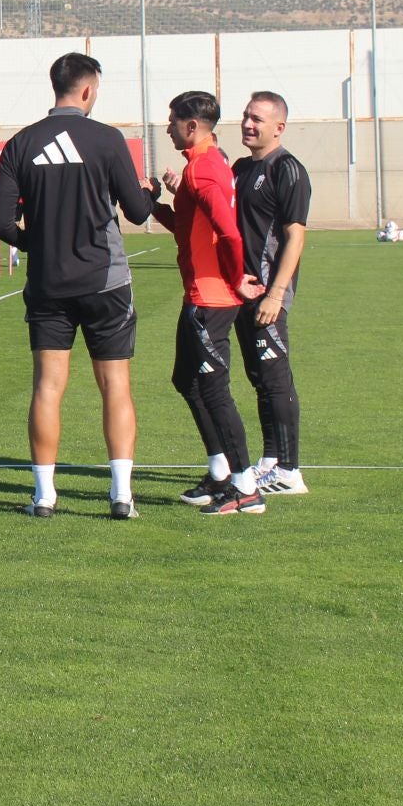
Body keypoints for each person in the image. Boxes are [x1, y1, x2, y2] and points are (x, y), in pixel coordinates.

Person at [0, 52, 159, 520]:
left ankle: (44, 496)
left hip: (47, 283)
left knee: (47, 386)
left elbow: (1, 223)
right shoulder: (106, 139)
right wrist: (155, 193)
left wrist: (38, 244)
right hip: (105, 281)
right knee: (115, 385)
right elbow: (139, 212)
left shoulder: (21, 144)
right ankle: (121, 494)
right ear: (87, 90)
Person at [149, 94, 266, 515]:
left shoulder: (205, 169)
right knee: (186, 380)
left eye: (172, 121)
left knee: (214, 390)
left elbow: (230, 234)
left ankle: (246, 486)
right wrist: (153, 206)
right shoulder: (201, 166)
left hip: (212, 298)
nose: (168, 128)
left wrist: (236, 279)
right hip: (199, 294)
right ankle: (220, 472)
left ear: (192, 126)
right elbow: (188, 229)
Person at [234, 91, 313, 497]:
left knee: (276, 377)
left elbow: (294, 236)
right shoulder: (241, 168)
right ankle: (270, 460)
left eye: (258, 119)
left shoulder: (288, 170)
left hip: (268, 295)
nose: (249, 124)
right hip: (241, 294)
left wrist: (277, 293)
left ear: (279, 127)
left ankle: (290, 471)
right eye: (246, 116)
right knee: (259, 378)